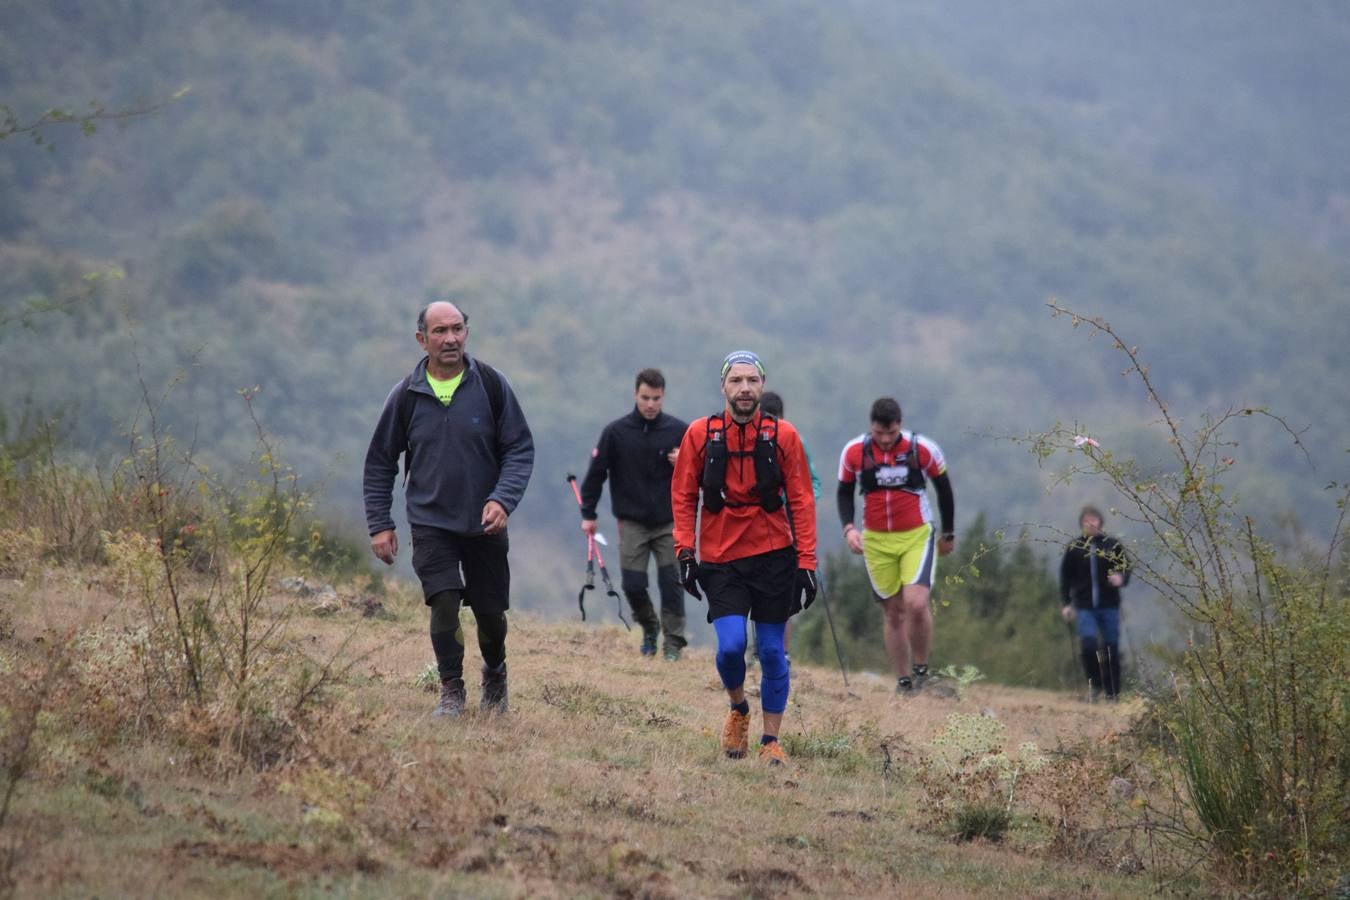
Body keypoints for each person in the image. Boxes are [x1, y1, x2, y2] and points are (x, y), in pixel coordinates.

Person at [363, 301, 534, 718]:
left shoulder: (492, 385)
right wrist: (380, 524)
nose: (451, 338)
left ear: (467, 333)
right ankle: (451, 690)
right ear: (422, 339)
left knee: (491, 615)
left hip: (484, 524)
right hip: (430, 521)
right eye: (440, 331)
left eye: (457, 329)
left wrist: (502, 499)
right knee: (443, 600)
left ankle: (495, 673)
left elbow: (519, 449)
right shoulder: (405, 396)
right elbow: (381, 461)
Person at [671, 351, 817, 766]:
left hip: (774, 556)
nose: (745, 389)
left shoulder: (783, 436)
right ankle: (738, 709)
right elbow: (683, 495)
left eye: (752, 380)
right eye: (736, 381)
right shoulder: (700, 434)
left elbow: (803, 501)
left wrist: (807, 561)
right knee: (731, 647)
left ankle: (772, 741)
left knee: (772, 652)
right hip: (720, 557)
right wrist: (685, 550)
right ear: (723, 387)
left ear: (762, 385)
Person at [837, 398, 955, 695]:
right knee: (893, 612)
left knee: (916, 603)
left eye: (891, 433)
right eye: (879, 434)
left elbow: (944, 490)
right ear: (871, 427)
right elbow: (844, 492)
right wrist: (849, 529)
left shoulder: (922, 449)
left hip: (916, 535)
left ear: (900, 425)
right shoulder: (854, 452)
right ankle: (904, 682)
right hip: (876, 540)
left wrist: (949, 534)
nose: (886, 440)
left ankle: (922, 670)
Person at [578, 368, 690, 660]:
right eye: (645, 398)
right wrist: (588, 514)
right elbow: (595, 475)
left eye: (655, 398)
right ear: (635, 395)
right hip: (632, 523)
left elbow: (703, 475)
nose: (650, 404)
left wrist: (686, 461)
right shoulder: (616, 433)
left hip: (669, 521)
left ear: (663, 396)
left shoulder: (681, 432)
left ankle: (673, 644)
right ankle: (650, 627)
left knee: (672, 582)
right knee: (632, 584)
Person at [1059, 505, 1131, 702]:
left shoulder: (1112, 545)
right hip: (1084, 606)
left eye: (1093, 520)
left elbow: (1126, 568)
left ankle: (1113, 692)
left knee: (1110, 648)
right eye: (1086, 521)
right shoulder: (1075, 548)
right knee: (1088, 645)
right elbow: (1065, 577)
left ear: (1100, 522)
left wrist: (1120, 578)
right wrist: (1066, 604)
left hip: (1109, 605)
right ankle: (1095, 685)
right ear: (1081, 524)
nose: (1090, 524)